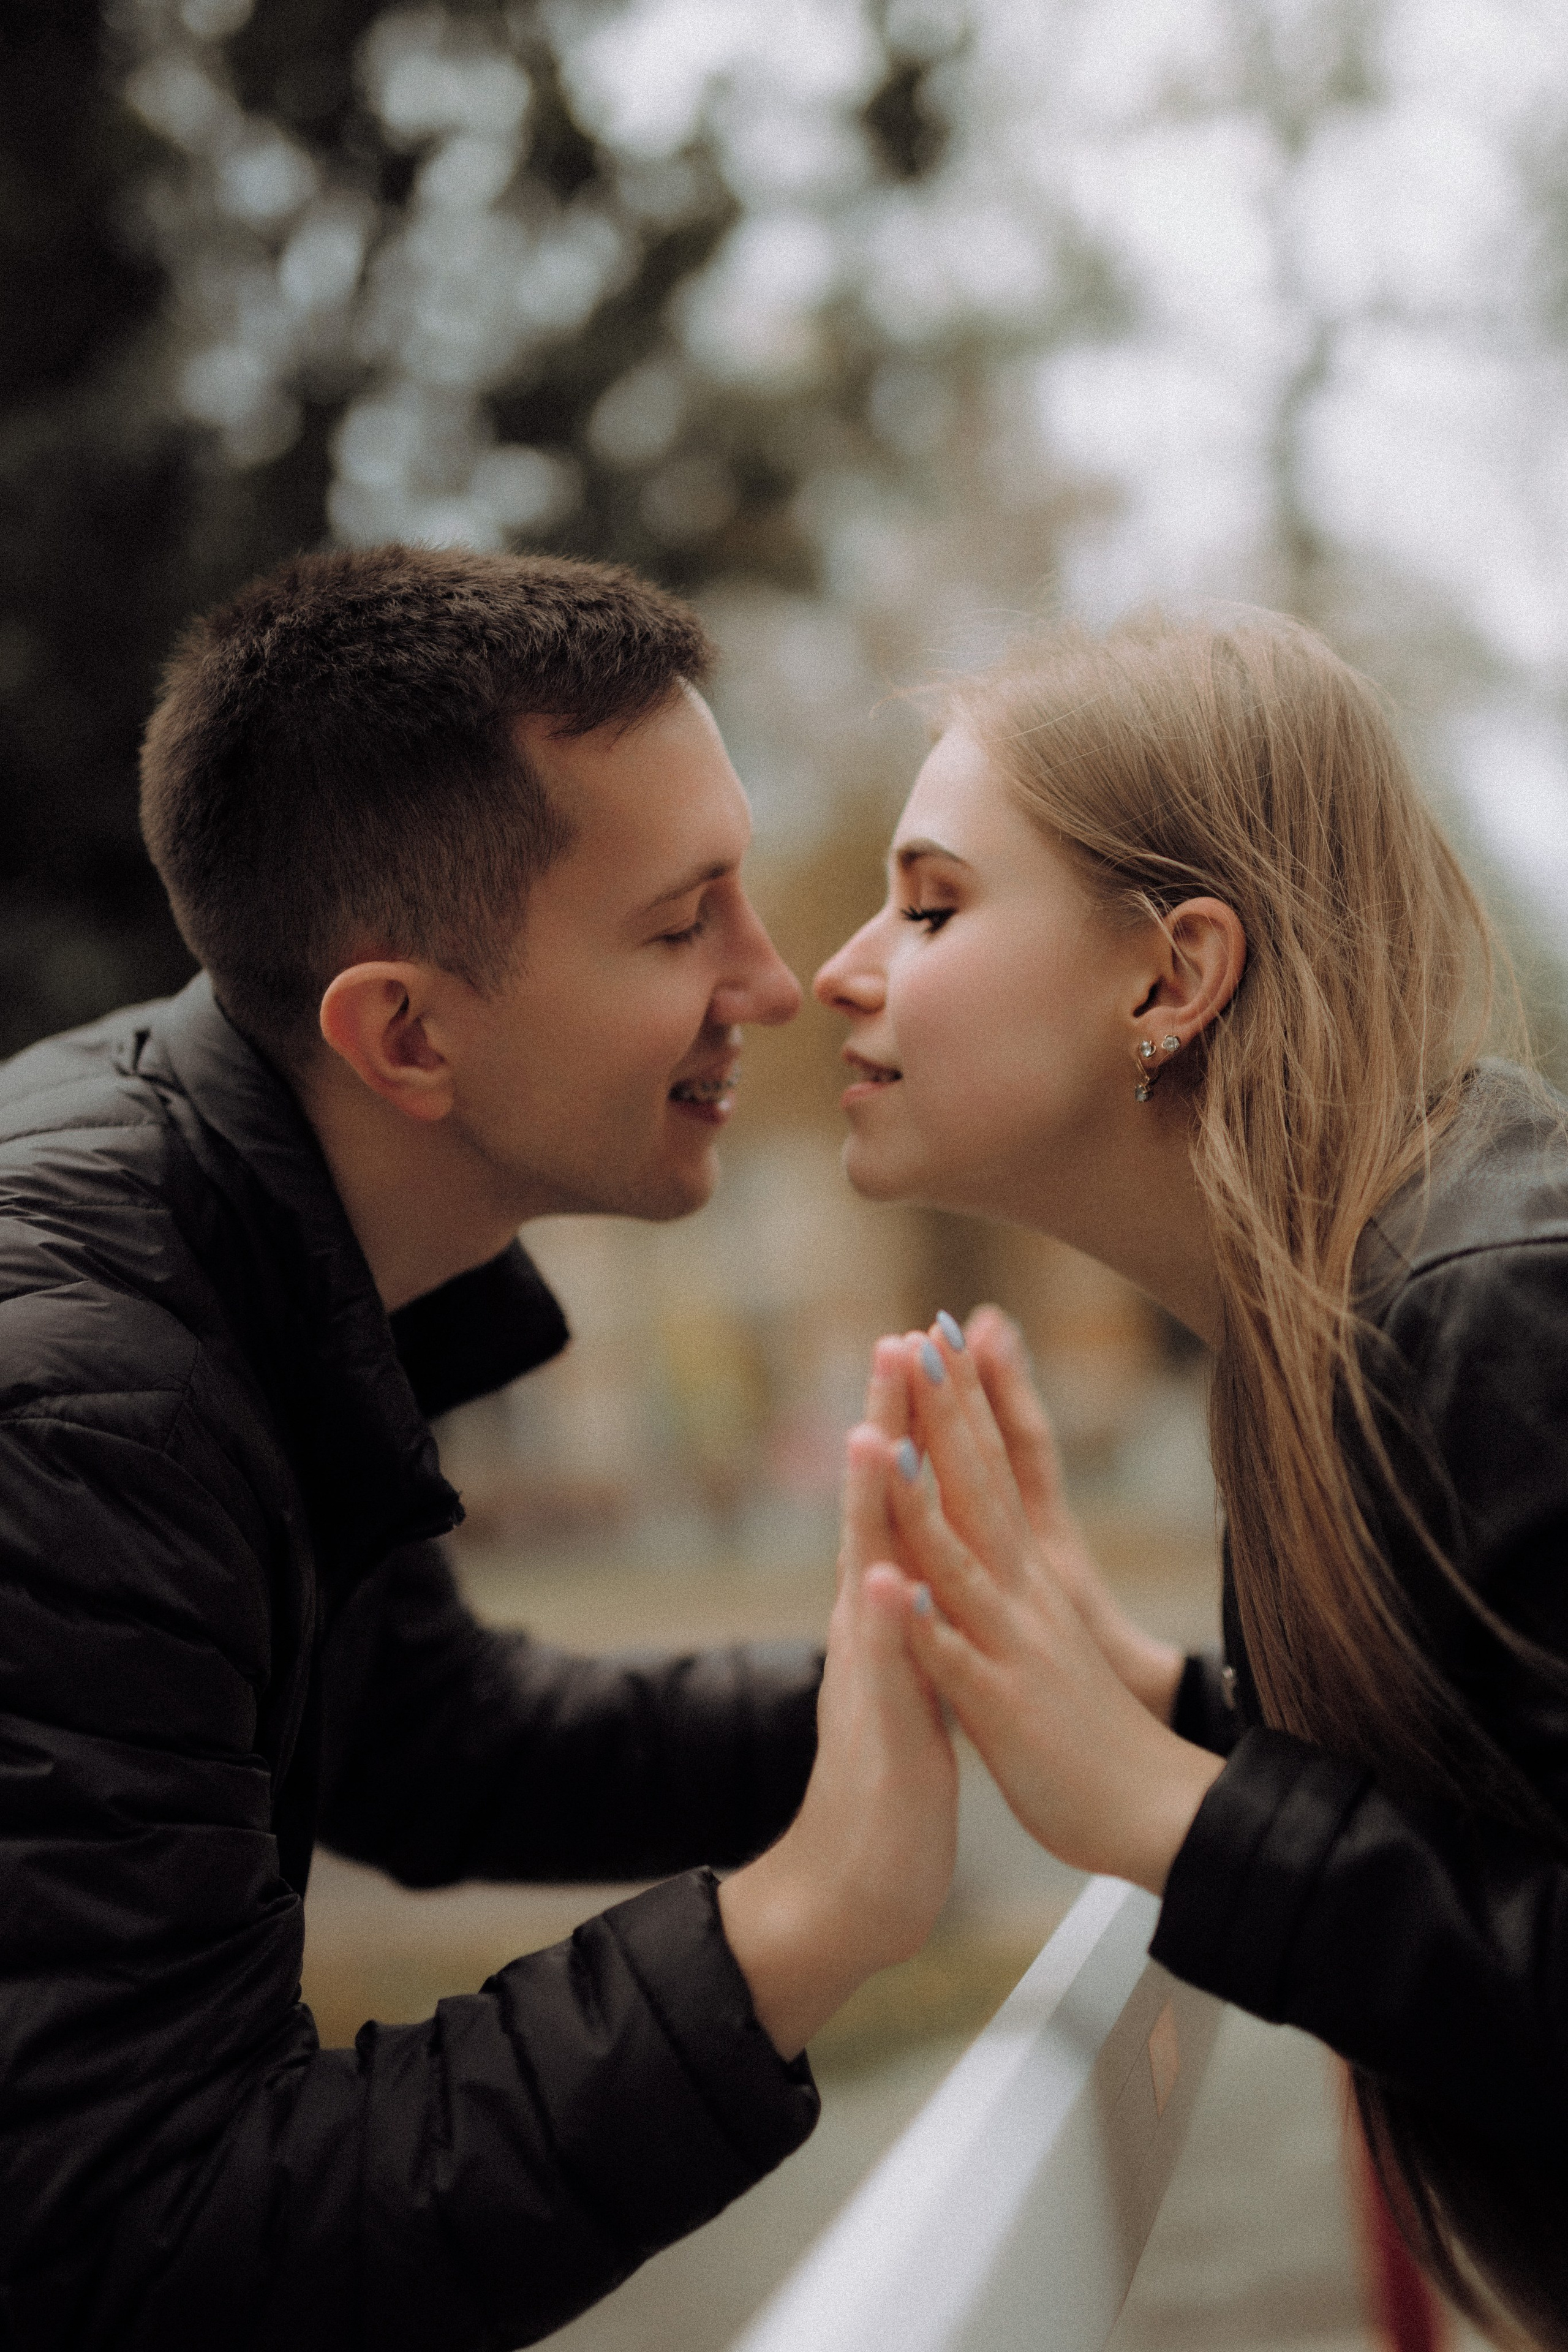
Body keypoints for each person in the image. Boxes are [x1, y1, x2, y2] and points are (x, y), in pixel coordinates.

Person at [0, 545, 957, 2351]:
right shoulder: (82, 1418)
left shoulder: (252, 1226)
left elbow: (429, 1748)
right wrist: (805, 1925)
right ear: (406, 1032)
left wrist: (937, 1684)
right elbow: (149, 2250)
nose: (775, 981)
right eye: (684, 926)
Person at [814, 609, 1568, 2348]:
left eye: (930, 905)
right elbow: (1491, 1790)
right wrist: (1160, 1703)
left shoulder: (1499, 1305)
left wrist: (1169, 1814)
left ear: (1171, 979)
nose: (843, 970)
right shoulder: (1356, 1310)